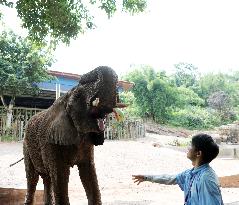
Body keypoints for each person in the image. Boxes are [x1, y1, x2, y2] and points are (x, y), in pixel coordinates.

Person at [132, 133, 224, 205]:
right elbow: (170, 178)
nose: (188, 148)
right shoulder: (191, 173)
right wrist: (147, 177)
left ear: (198, 153)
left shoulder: (206, 178)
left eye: (191, 146)